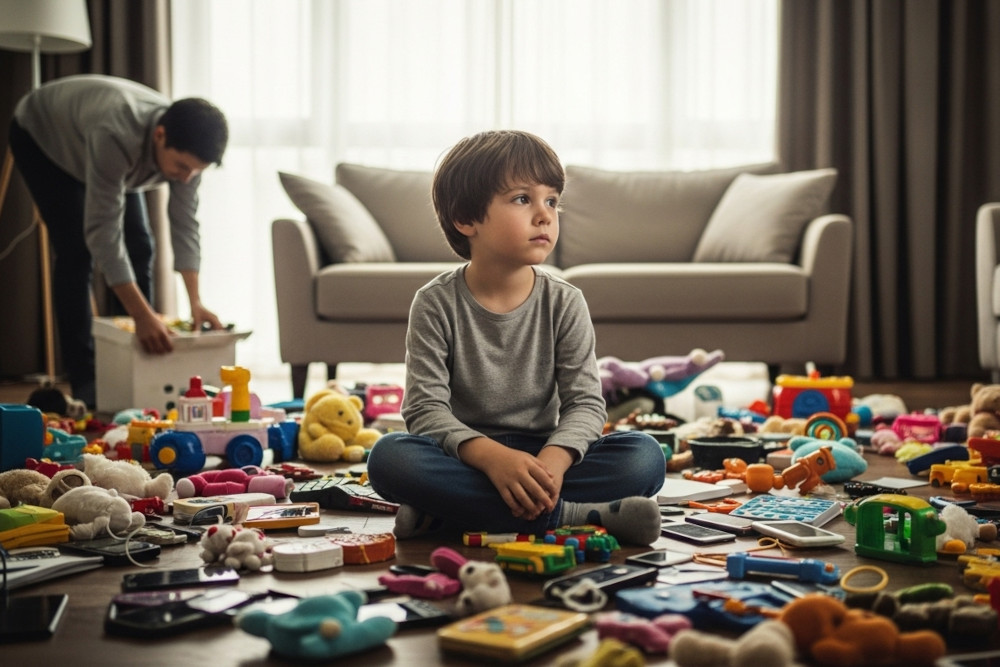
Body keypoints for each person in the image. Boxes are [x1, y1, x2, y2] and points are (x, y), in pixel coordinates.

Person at [366, 130, 665, 546]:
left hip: (547, 455)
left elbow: (585, 403)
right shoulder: (434, 303)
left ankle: (451, 515)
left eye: (552, 201)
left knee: (645, 456)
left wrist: (553, 463)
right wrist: (494, 459)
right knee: (389, 458)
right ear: (466, 219)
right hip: (467, 457)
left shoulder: (565, 302)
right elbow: (425, 410)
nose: (544, 215)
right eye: (523, 199)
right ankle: (577, 515)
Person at [8, 75, 229, 409]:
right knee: (77, 251)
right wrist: (141, 315)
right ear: (160, 135)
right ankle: (87, 380)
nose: (187, 178)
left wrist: (195, 301)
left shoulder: (187, 161)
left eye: (195, 172)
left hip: (100, 147)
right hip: (43, 136)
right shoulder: (116, 133)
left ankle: (135, 363)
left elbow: (184, 225)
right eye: (182, 167)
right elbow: (103, 232)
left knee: (141, 245)